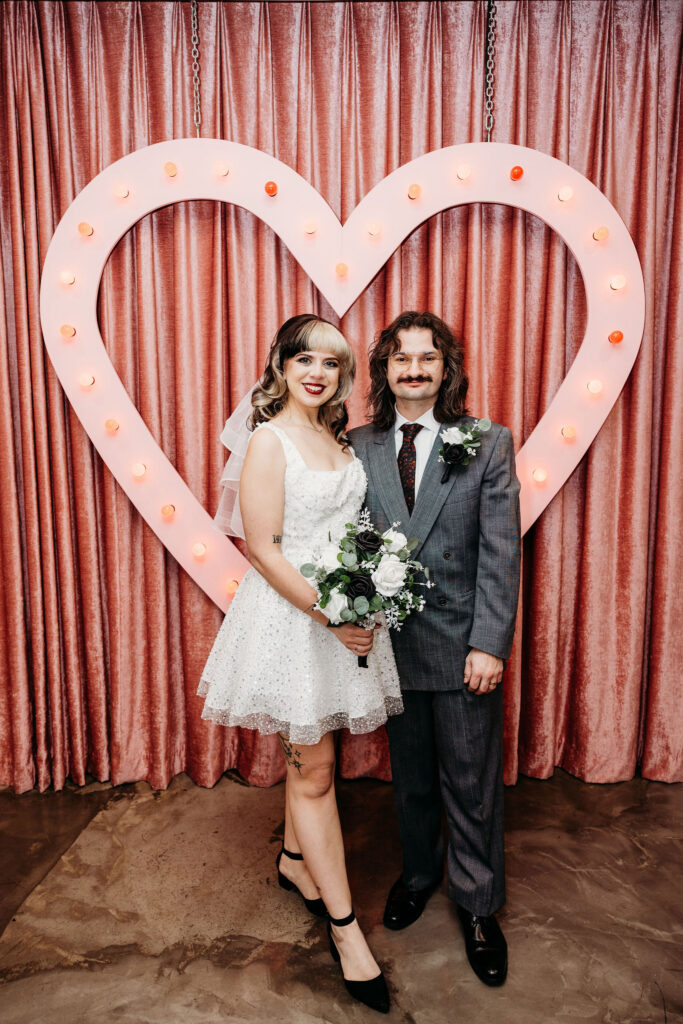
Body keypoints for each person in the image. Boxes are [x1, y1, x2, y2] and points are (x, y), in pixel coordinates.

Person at [198, 314, 402, 1014]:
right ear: (281, 365)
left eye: (332, 362)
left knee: (313, 763)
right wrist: (333, 615)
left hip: (340, 618)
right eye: (304, 358)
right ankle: (347, 934)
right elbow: (263, 548)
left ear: (343, 375)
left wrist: (370, 591)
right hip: (293, 622)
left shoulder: (335, 439)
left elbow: (351, 533)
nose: (317, 371)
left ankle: (293, 862)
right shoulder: (268, 440)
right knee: (315, 774)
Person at [349, 310, 521, 987]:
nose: (414, 369)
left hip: (461, 646)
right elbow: (347, 544)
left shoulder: (486, 441)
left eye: (428, 357)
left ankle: (478, 906)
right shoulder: (357, 445)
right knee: (411, 778)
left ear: (447, 369)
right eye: (401, 359)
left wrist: (488, 643)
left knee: (471, 785)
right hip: (390, 646)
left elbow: (500, 552)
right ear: (384, 372)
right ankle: (419, 874)